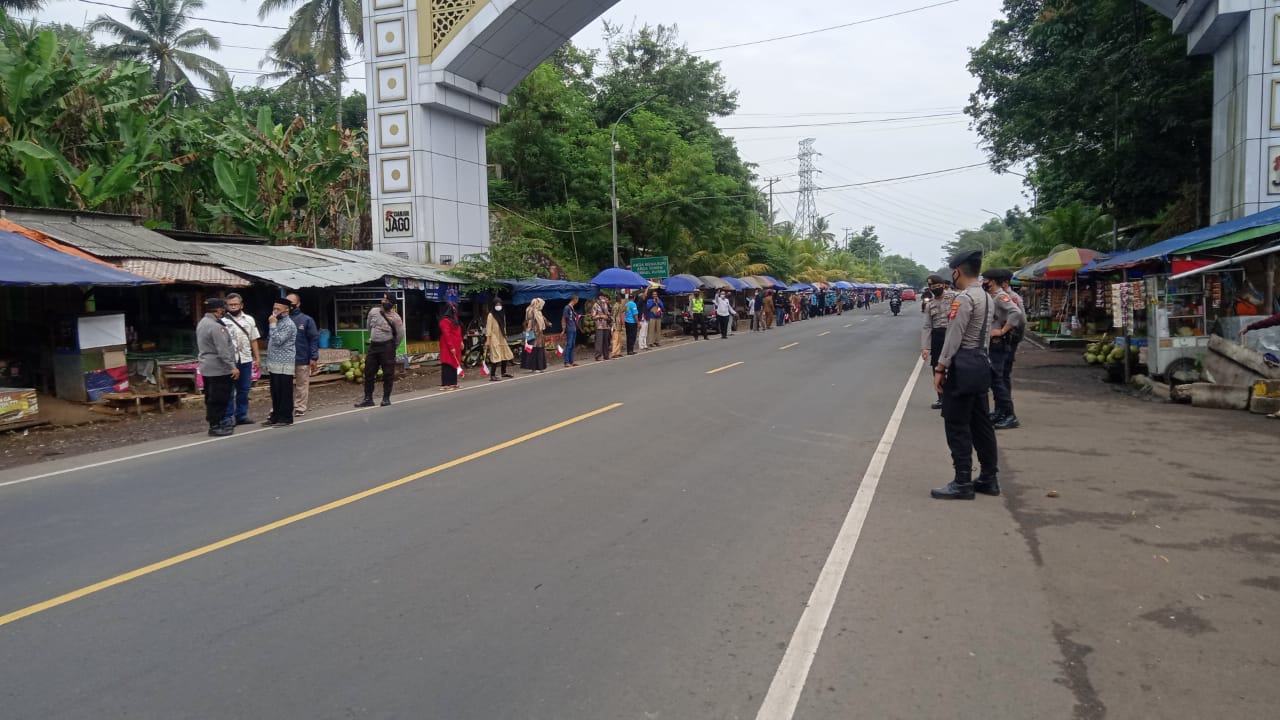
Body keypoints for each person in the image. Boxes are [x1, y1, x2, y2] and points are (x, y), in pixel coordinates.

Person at [931, 250, 999, 500]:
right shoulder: (987, 296)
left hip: (964, 364)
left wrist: (941, 368)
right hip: (982, 361)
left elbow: (954, 336)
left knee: (957, 423)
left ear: (957, 270)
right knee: (982, 423)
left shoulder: (965, 298)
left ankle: (962, 481)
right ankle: (989, 478)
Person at [984, 268, 1026, 430]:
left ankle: (1009, 415)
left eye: (985, 280)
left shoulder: (1001, 296)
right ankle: (1001, 411)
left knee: (998, 380)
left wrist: (1003, 330)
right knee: (996, 380)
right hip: (994, 343)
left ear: (992, 281)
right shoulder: (994, 296)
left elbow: (1016, 313)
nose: (983, 283)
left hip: (999, 343)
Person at [196, 297, 239, 437]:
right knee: (219, 398)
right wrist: (232, 366)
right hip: (219, 368)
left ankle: (214, 423)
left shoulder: (203, 322)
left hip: (207, 367)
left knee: (211, 397)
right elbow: (223, 350)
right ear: (218, 309)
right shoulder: (215, 326)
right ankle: (215, 425)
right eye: (222, 308)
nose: (223, 311)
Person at [355, 293, 404, 407]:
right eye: (384, 299)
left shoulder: (396, 317)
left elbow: (400, 334)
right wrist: (373, 338)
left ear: (391, 304)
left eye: (387, 300)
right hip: (374, 346)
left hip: (387, 347)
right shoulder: (373, 312)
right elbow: (369, 327)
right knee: (369, 373)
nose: (384, 301)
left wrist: (393, 346)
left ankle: (386, 399)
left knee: (388, 374)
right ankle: (368, 399)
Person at [221, 293, 260, 426]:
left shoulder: (249, 320)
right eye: (230, 305)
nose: (233, 307)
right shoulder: (222, 321)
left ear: (241, 305)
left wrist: (257, 358)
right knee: (229, 390)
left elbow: (253, 340)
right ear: (226, 306)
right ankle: (227, 417)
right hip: (230, 361)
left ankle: (241, 415)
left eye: (235, 304)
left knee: (244, 389)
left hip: (246, 359)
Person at [921, 275, 958, 410]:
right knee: (937, 367)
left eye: (937, 286)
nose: (935, 289)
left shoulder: (955, 297)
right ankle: (942, 398)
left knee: (955, 366)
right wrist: (925, 347)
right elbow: (927, 326)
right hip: (937, 337)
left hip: (953, 334)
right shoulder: (930, 304)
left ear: (943, 285)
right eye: (932, 287)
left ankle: (955, 395)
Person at [262, 298, 297, 427]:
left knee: (284, 392)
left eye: (278, 309)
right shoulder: (278, 322)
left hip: (284, 363)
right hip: (274, 362)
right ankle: (275, 415)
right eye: (274, 308)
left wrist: (272, 324)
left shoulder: (288, 324)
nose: (275, 312)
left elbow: (278, 340)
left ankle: (286, 417)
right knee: (275, 391)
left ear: (286, 310)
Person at [285, 293, 319, 417]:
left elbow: (313, 339)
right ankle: (284, 407)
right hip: (284, 359)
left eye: (291, 303)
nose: (289, 306)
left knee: (302, 384)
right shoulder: (280, 319)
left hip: (302, 357)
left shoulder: (306, 320)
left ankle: (299, 407)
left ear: (298, 304)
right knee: (284, 385)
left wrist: (313, 357)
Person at [486, 300, 516, 378]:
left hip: (502, 336)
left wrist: (505, 334)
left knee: (505, 353)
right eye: (497, 304)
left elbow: (504, 326)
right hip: (494, 337)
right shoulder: (491, 315)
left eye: (500, 304)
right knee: (496, 354)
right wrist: (487, 340)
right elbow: (488, 328)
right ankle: (492, 375)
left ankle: (504, 372)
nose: (498, 306)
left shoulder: (502, 314)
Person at [438, 305, 463, 390]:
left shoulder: (454, 319)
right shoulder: (444, 321)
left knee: (454, 363)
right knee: (447, 364)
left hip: (456, 344)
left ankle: (453, 383)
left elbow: (459, 331)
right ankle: (445, 384)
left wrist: (461, 341)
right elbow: (446, 334)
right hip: (447, 345)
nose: (455, 311)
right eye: (453, 310)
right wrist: (451, 347)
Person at [523, 297, 549, 372]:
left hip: (539, 333)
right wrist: (528, 331)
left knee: (538, 350)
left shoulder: (538, 311)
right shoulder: (531, 310)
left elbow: (542, 319)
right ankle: (535, 368)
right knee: (535, 350)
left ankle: (539, 367)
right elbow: (529, 322)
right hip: (534, 333)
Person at [562, 295, 582, 367]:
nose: (577, 302)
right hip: (569, 328)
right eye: (577, 300)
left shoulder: (572, 308)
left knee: (573, 345)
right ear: (575, 300)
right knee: (569, 345)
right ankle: (566, 361)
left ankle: (571, 361)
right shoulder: (567, 308)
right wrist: (563, 329)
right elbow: (564, 318)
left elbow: (574, 318)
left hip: (573, 328)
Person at [592, 292, 613, 361]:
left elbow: (608, 314)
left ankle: (606, 355)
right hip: (599, 326)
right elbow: (593, 316)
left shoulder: (605, 304)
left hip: (606, 325)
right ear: (600, 297)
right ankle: (598, 356)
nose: (604, 298)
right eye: (603, 297)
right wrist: (601, 316)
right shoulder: (595, 305)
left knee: (606, 341)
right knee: (599, 342)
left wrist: (608, 317)